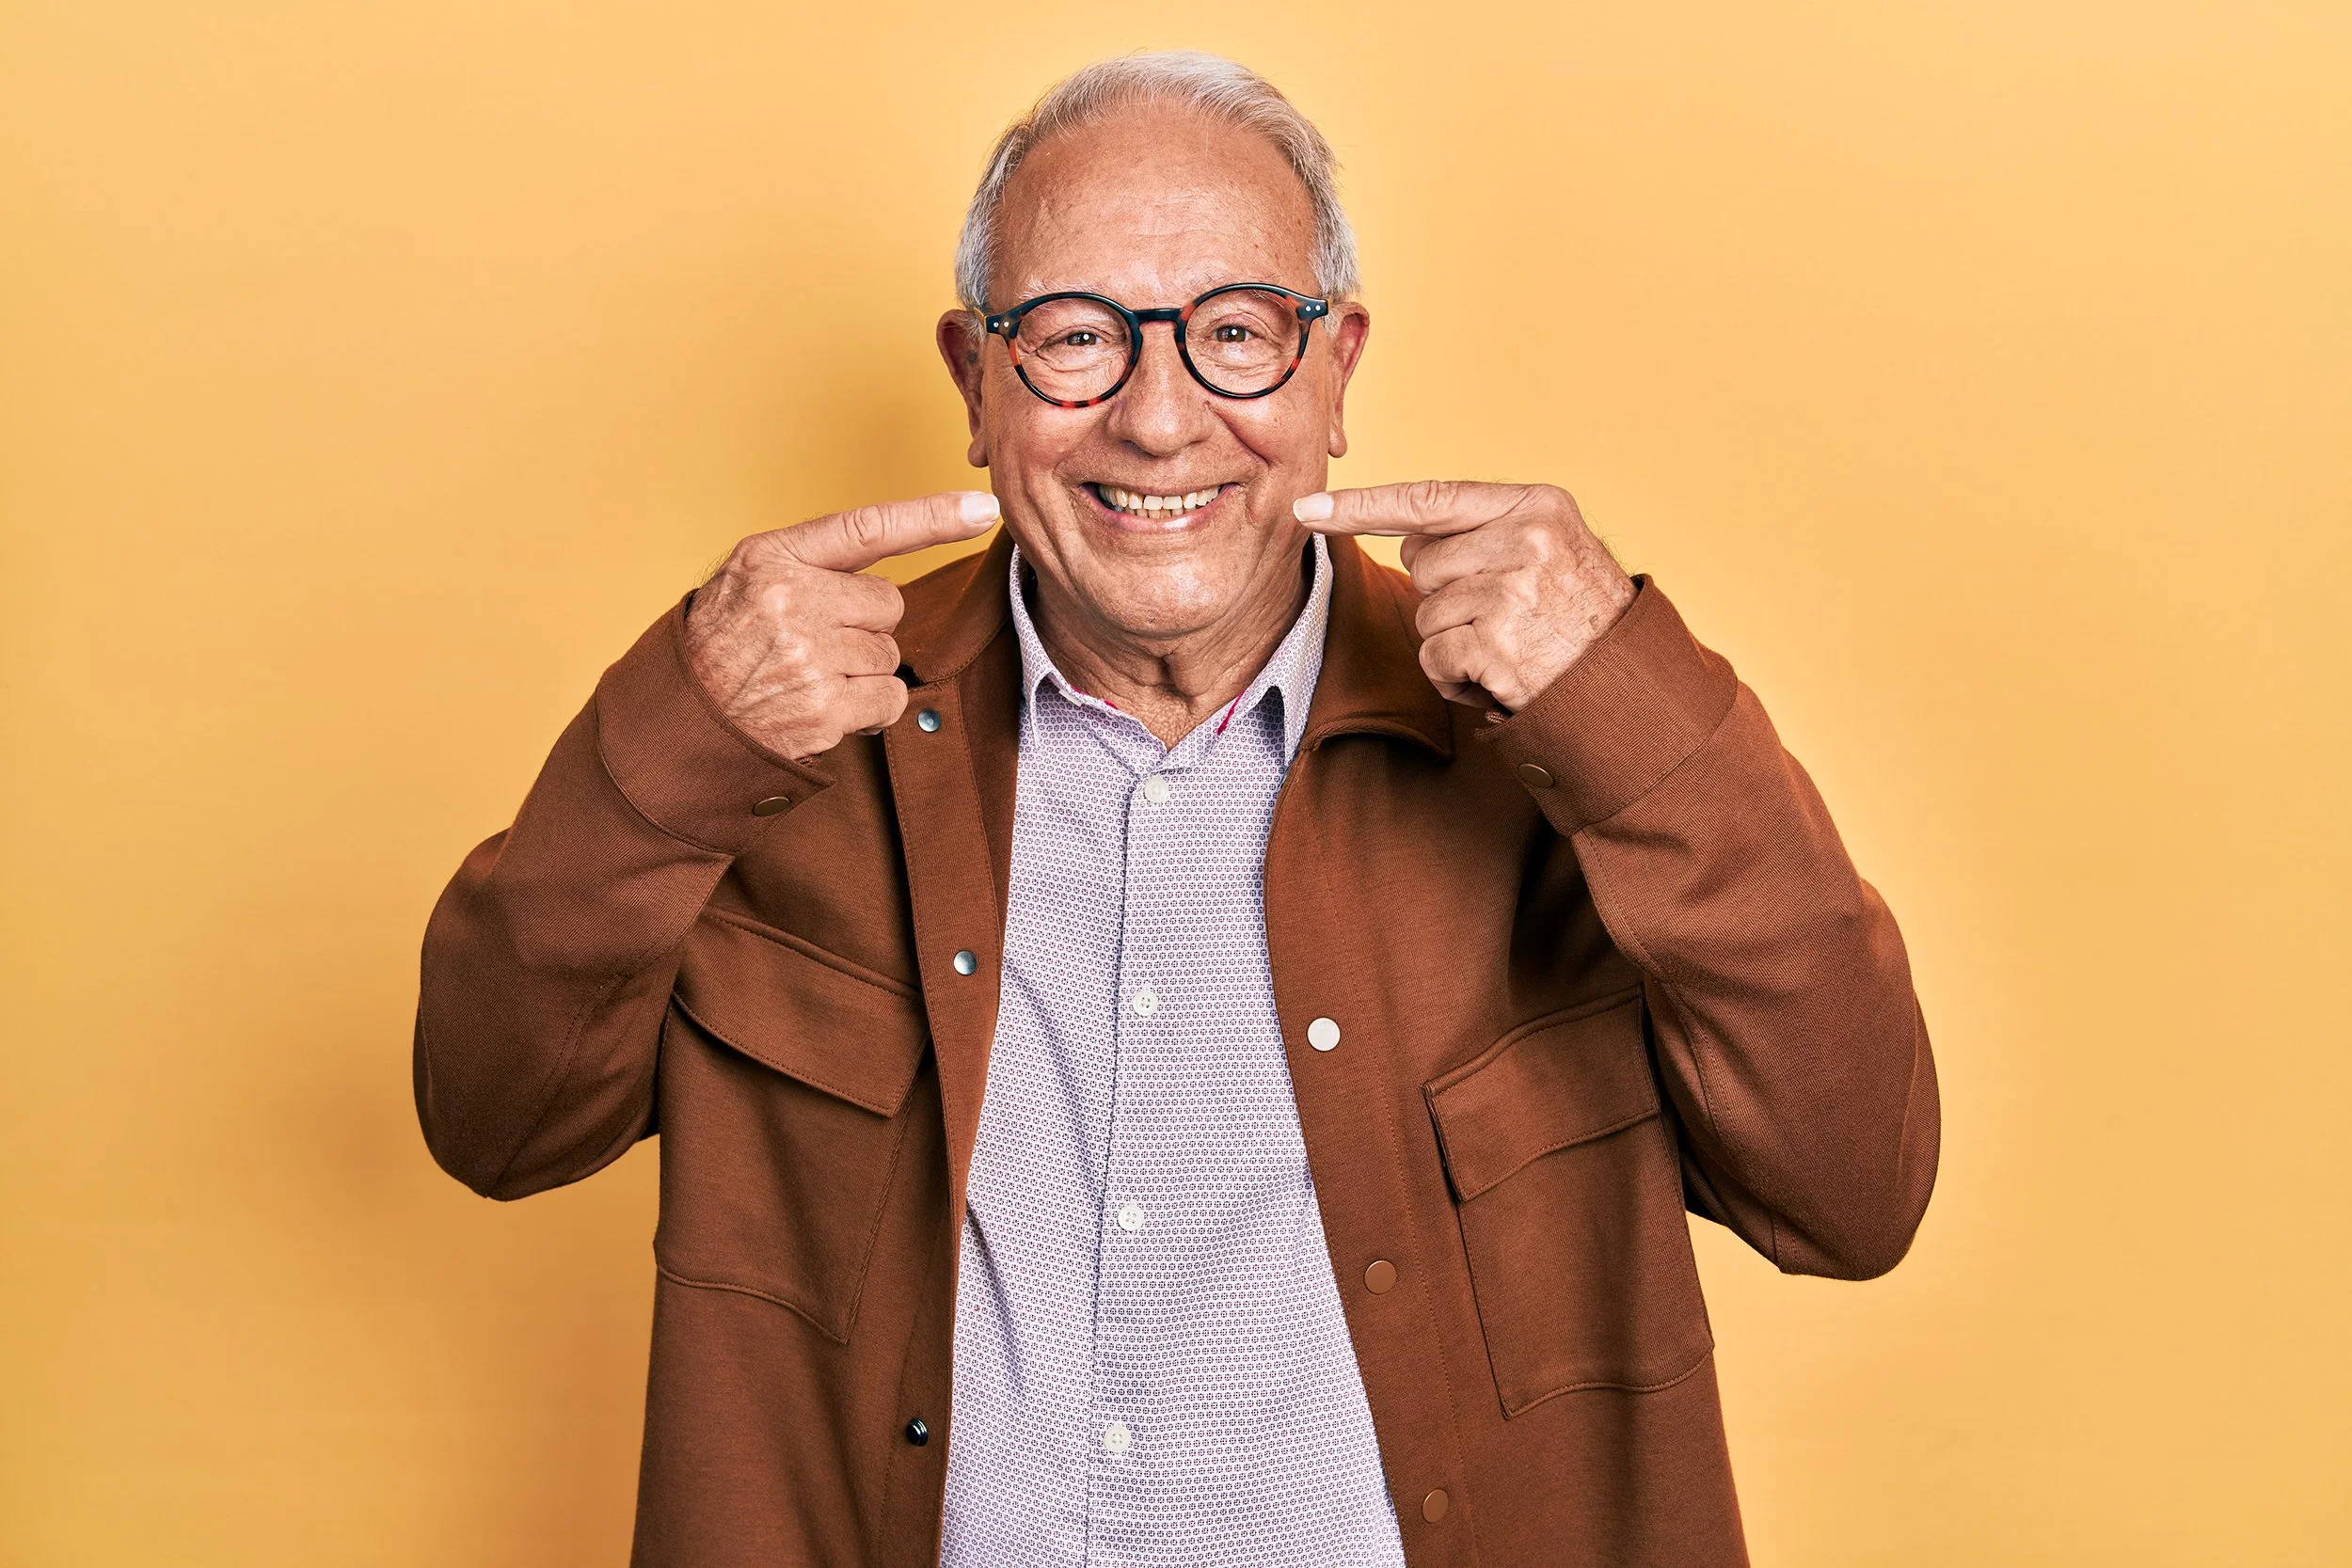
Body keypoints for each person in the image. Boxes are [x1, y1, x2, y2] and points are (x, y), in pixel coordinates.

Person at [414, 49, 1939, 1568]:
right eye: (1077, 336)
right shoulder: (786, 736)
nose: (1157, 419)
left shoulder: (1557, 739)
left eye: (1236, 332)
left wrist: (1632, 704)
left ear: (1336, 369)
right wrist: (683, 731)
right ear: (974, 378)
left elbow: (1854, 1191)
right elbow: (494, 1117)